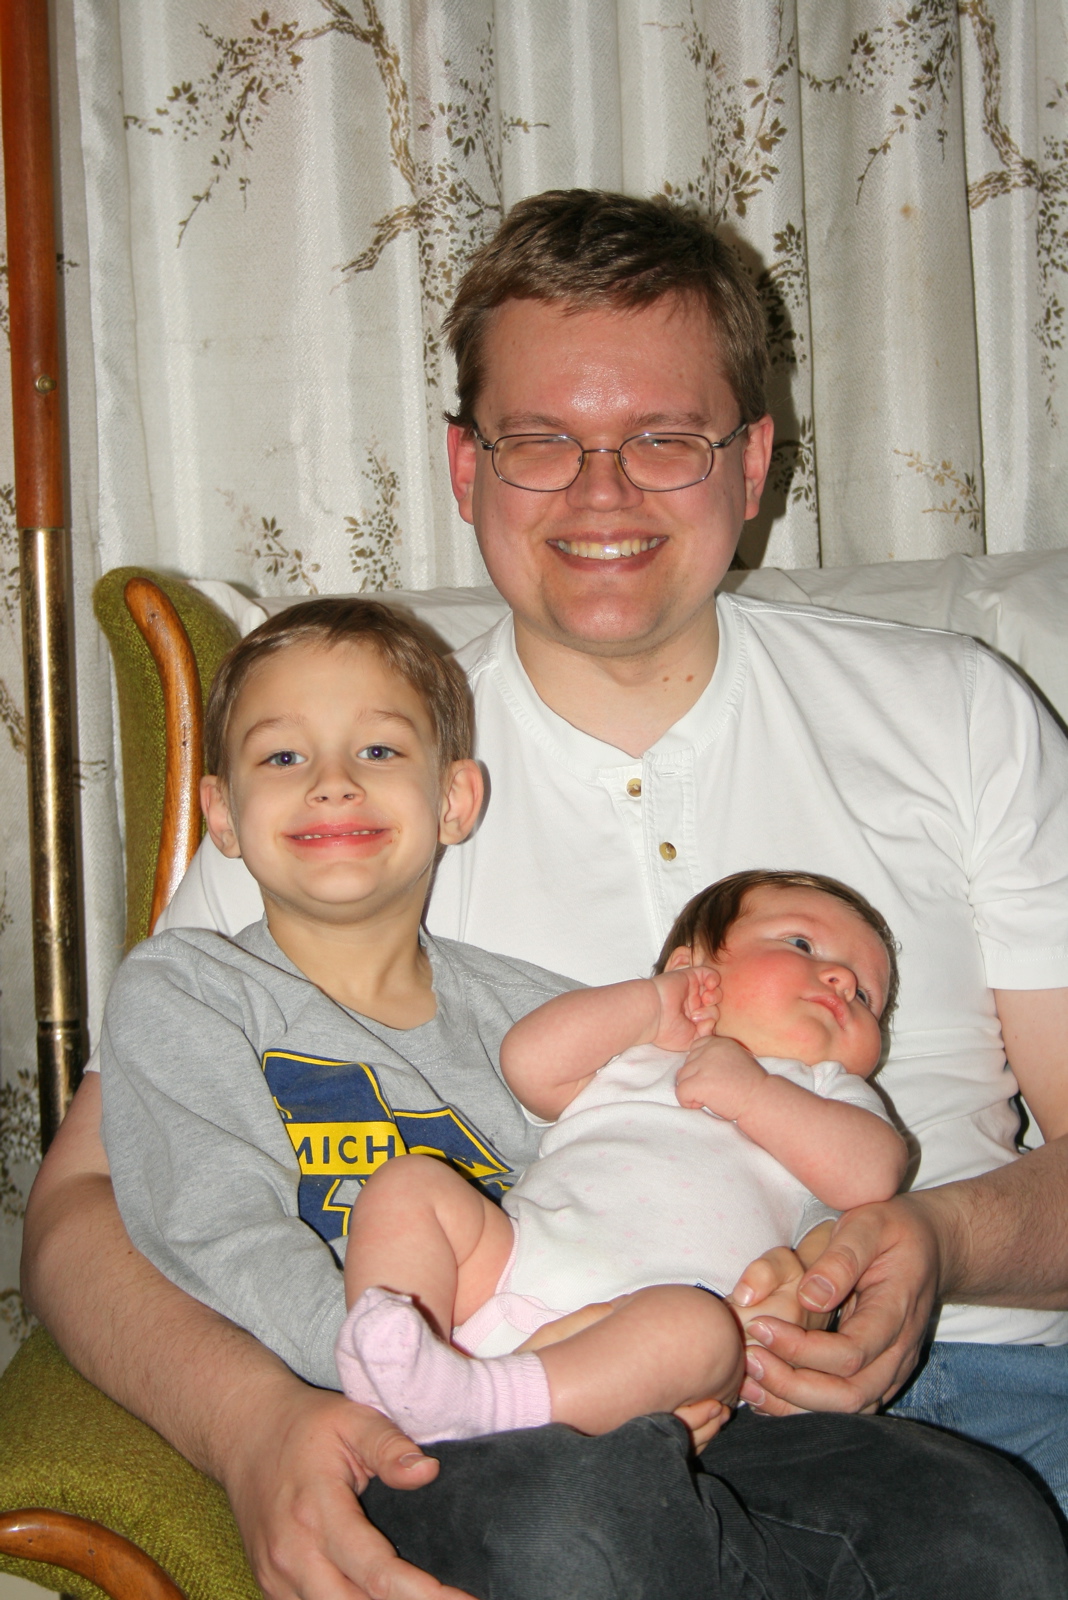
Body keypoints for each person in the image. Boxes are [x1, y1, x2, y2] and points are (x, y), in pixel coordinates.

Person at [22, 188, 1068, 1599]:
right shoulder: (355, 773)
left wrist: (937, 1243)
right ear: (465, 468)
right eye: (542, 442)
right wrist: (250, 1425)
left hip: (978, 1387)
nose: (602, 493)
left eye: (664, 439)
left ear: (753, 460)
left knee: (993, 1543)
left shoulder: (956, 713)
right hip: (547, 1413)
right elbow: (84, 1200)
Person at [335, 870, 908, 1444]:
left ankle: (486, 1402)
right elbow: (528, 1062)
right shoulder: (634, 1044)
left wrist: (757, 1095)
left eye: (865, 997)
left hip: (657, 1327)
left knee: (701, 1331)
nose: (841, 980)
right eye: (802, 945)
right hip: (510, 1271)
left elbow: (872, 1174)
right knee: (408, 1184)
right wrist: (651, 1005)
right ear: (691, 966)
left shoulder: (825, 1088)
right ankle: (395, 1373)